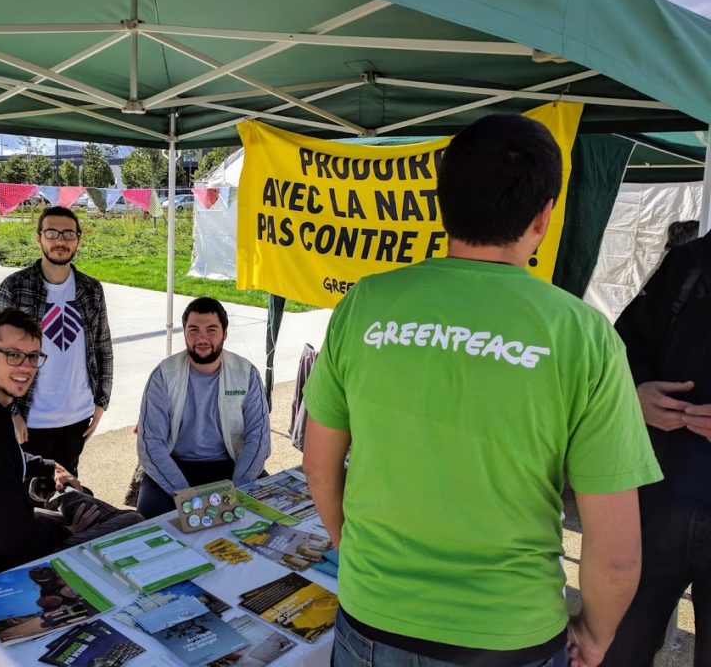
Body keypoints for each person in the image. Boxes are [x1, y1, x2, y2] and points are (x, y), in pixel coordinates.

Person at [302, 113, 663, 667]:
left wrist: (354, 553)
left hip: (372, 621)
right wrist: (595, 636)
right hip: (510, 636)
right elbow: (615, 554)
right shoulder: (584, 336)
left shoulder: (365, 304)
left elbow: (320, 466)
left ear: (441, 202)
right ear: (544, 216)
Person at [0, 308, 141, 591]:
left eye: (33, 356)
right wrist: (68, 531)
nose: (26, 367)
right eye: (13, 355)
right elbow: (16, 541)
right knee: (131, 521)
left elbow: (4, 462)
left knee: (78, 498)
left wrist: (48, 466)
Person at [601, 227, 711, 666]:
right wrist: (637, 391)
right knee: (616, 651)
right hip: (656, 508)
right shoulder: (690, 263)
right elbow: (621, 346)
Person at [0, 206, 112, 476]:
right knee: (26, 493)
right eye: (52, 233)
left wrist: (101, 401)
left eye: (69, 234)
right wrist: (11, 411)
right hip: (30, 417)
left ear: (78, 239)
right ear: (39, 238)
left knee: (68, 491)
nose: (60, 241)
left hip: (77, 416)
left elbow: (103, 348)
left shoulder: (91, 289)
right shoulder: (14, 287)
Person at [135, 297, 271, 518]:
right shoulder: (163, 375)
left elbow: (259, 437)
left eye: (211, 330)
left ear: (225, 333)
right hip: (176, 464)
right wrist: (187, 497)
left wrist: (238, 488)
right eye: (194, 330)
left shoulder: (246, 373)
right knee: (149, 520)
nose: (202, 338)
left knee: (267, 515)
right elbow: (151, 444)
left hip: (230, 463)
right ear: (185, 333)